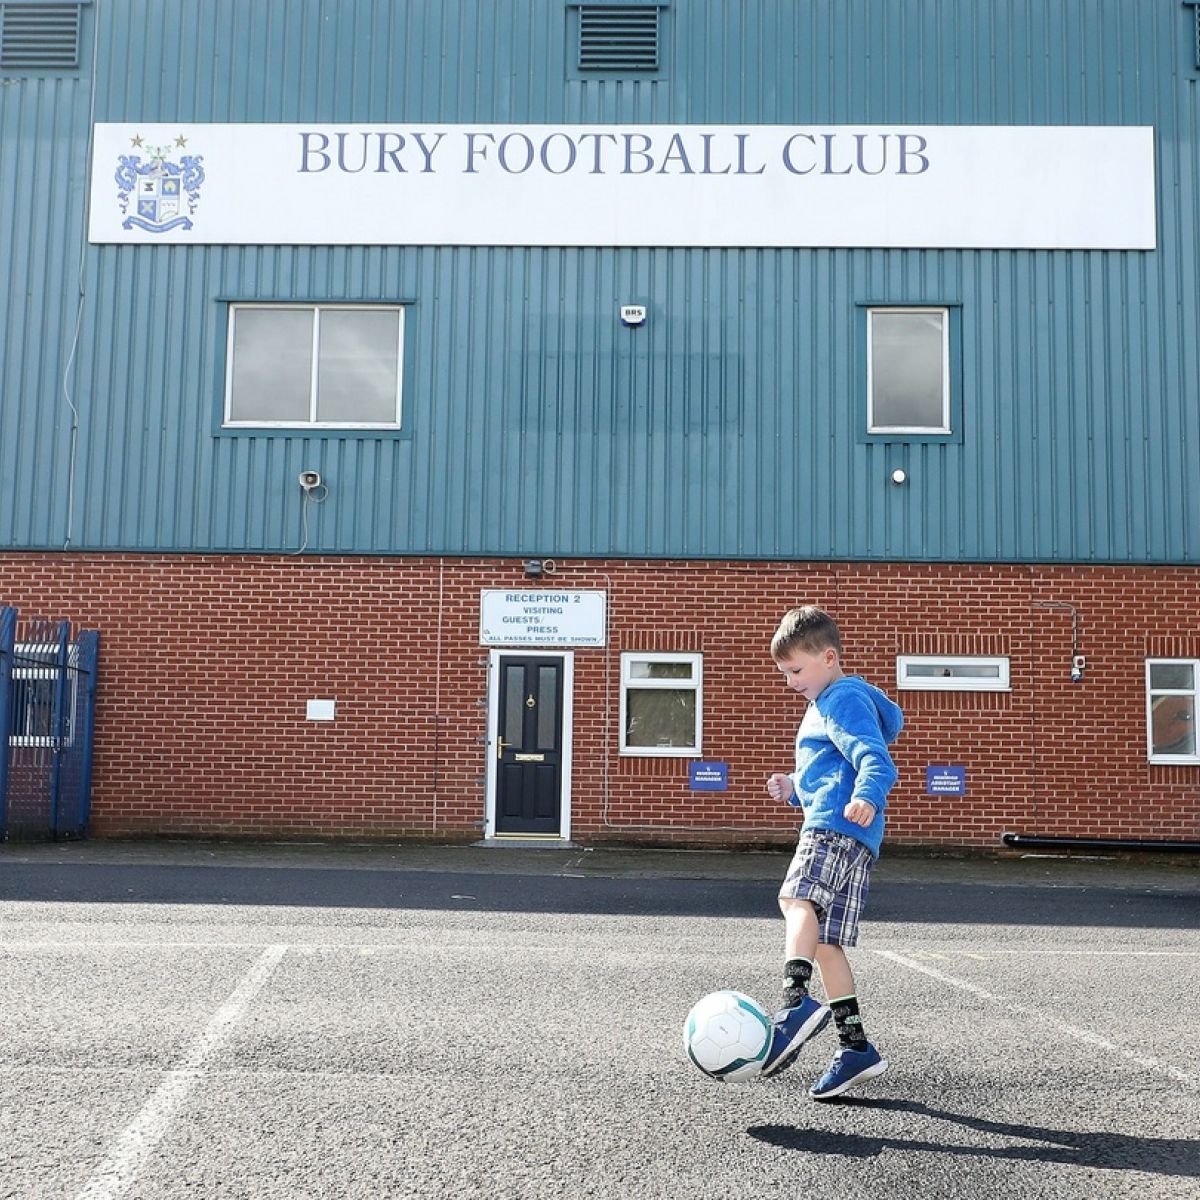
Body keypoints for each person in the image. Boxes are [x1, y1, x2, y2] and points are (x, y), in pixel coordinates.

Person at [761, 605, 903, 1100]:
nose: (791, 682)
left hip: (835, 827)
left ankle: (794, 1003)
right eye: (785, 674)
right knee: (823, 941)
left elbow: (870, 755)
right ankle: (855, 1047)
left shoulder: (840, 697)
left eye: (796, 671)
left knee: (796, 901)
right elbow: (830, 769)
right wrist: (794, 785)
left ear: (829, 656)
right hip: (850, 831)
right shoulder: (829, 700)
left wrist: (867, 794)